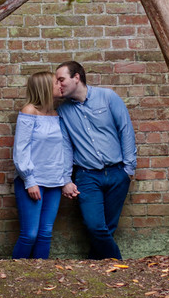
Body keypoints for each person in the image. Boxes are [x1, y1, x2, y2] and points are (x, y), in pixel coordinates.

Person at [54, 60, 136, 260]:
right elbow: (66, 146)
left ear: (76, 77)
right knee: (95, 225)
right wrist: (66, 179)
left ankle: (96, 266)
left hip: (118, 173)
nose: (58, 84)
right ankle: (119, 263)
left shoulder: (107, 97)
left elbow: (125, 130)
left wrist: (128, 169)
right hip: (87, 176)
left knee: (109, 226)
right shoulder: (63, 111)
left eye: (61, 79)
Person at [11, 71, 78, 259]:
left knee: (45, 233)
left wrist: (65, 179)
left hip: (54, 183)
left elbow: (64, 150)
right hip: (32, 183)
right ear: (44, 87)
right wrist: (30, 180)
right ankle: (13, 275)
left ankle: (40, 276)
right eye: (56, 82)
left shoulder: (56, 114)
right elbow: (20, 149)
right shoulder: (29, 111)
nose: (60, 85)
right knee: (29, 234)